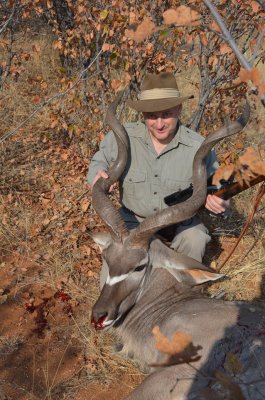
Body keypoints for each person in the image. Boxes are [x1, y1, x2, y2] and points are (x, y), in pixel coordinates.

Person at [87, 72, 230, 262]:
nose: (160, 124)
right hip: (133, 221)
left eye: (167, 114)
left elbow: (219, 187)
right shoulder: (124, 136)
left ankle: (180, 289)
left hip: (179, 221)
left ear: (179, 109)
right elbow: (99, 162)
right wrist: (97, 175)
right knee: (112, 279)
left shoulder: (198, 146)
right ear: (143, 114)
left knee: (195, 239)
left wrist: (221, 201)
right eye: (152, 116)